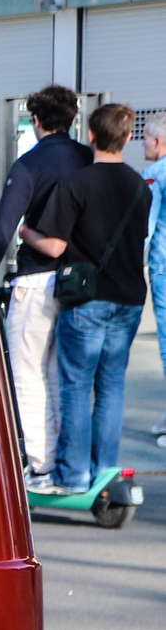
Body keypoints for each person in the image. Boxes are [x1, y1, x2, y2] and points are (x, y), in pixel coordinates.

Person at [20, 102, 150, 495]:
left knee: (76, 386)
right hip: (129, 300)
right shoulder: (139, 186)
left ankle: (72, 475)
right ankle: (104, 472)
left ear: (90, 135)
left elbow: (56, 246)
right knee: (111, 386)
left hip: (87, 299)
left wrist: (27, 233)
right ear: (128, 137)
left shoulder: (77, 183)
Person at [0, 85, 93, 485]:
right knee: (64, 377)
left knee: (27, 373)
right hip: (79, 284)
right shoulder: (88, 159)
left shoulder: (29, 164)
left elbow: (1, 233)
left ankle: (41, 465)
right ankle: (70, 464)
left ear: (35, 121)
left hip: (34, 283)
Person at [142, 124, 166, 441]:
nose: (142, 142)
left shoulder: (154, 173)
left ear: (159, 141)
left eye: (145, 136)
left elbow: (145, 227)